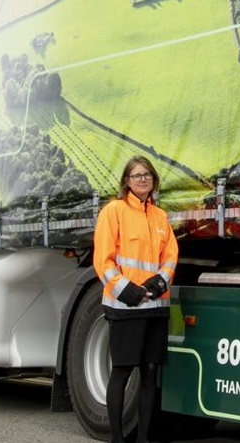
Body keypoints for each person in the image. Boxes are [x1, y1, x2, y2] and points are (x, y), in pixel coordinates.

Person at [94, 155, 178, 443]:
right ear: (126, 181)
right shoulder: (113, 211)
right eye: (136, 175)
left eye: (147, 175)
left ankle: (143, 438)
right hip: (125, 306)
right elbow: (102, 260)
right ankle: (118, 439)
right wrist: (126, 289)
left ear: (153, 180)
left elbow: (170, 256)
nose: (143, 179)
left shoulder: (160, 217)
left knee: (150, 372)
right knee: (122, 371)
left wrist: (159, 282)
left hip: (155, 306)